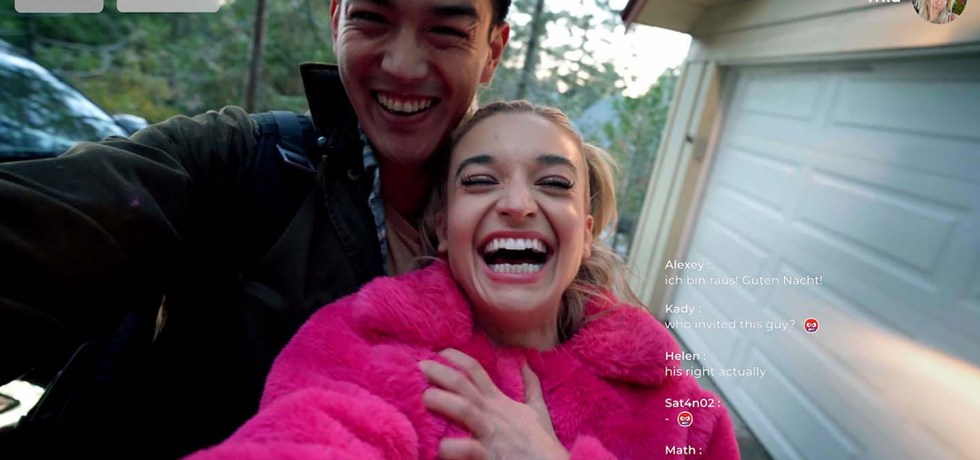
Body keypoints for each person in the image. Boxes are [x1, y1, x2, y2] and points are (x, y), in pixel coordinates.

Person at [0, 0, 510, 457]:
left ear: (492, 51)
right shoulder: (241, 166)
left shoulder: (527, 240)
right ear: (337, 20)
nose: (402, 65)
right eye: (373, 19)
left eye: (446, 31)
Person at [185, 101, 741, 460]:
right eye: (480, 181)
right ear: (443, 228)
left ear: (587, 233)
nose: (518, 204)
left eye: (553, 183)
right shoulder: (360, 350)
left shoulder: (678, 409)